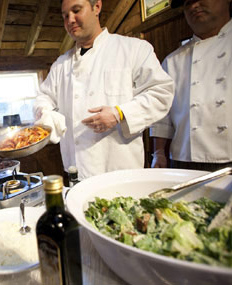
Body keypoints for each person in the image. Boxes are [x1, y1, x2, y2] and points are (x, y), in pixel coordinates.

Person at [33, 0, 174, 180]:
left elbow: (161, 92)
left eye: (76, 11)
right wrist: (44, 112)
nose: (70, 20)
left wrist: (119, 114)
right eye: (65, 16)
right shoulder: (61, 64)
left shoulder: (133, 49)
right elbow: (43, 96)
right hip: (76, 172)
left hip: (120, 169)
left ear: (96, 7)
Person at [151, 0, 232, 171]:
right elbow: (163, 115)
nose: (194, 6)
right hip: (183, 159)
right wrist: (159, 153)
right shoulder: (173, 60)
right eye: (187, 3)